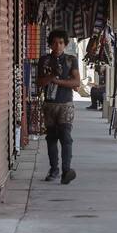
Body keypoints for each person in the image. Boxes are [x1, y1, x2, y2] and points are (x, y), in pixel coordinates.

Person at [37, 29, 80, 184]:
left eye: (61, 43)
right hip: (49, 105)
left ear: (66, 44)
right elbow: (39, 83)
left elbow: (76, 83)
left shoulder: (70, 60)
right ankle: (54, 169)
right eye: (54, 43)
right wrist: (51, 76)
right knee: (52, 138)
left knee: (66, 138)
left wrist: (57, 81)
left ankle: (66, 170)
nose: (58, 46)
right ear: (50, 44)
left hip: (65, 104)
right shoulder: (44, 60)